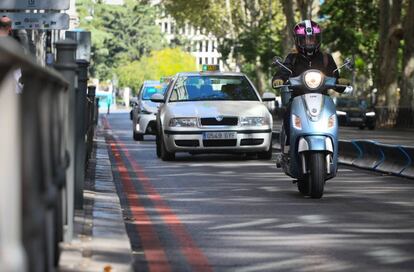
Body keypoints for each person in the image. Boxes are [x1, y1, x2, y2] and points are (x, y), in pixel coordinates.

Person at [272, 19, 347, 152]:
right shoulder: (292, 58)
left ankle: (333, 144)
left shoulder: (326, 58)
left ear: (318, 39)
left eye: (312, 39)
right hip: (298, 97)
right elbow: (283, 72)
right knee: (289, 112)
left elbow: (335, 78)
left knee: (332, 116)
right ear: (298, 40)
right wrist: (278, 79)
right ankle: (289, 146)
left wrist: (340, 82)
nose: (308, 42)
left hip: (322, 98)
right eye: (305, 39)